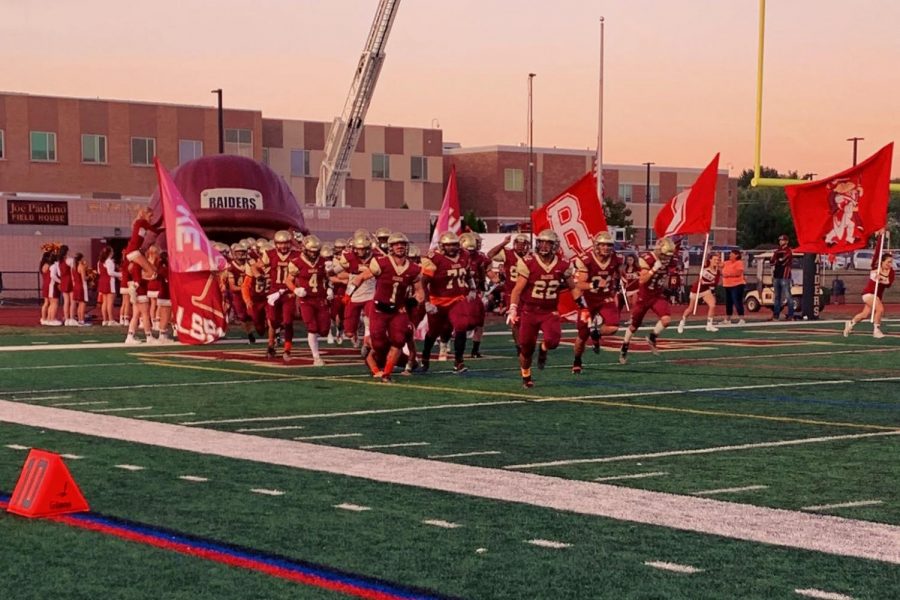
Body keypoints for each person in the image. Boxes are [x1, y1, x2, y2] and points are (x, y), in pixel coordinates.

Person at [507, 229, 581, 388]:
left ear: (555, 245)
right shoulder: (528, 262)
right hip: (530, 311)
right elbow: (517, 289)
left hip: (549, 311)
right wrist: (513, 309)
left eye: (548, 243)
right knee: (526, 349)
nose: (544, 246)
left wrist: (583, 306)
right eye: (542, 242)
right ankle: (526, 375)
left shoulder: (563, 264)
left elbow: (573, 287)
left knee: (553, 341)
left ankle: (544, 347)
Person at [347, 232, 424, 383]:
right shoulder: (381, 263)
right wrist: (349, 293)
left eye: (402, 244)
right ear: (390, 247)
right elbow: (361, 277)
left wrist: (415, 301)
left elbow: (420, 291)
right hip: (379, 310)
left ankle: (386, 374)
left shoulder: (414, 269)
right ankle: (373, 355)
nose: (400, 247)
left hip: (398, 310)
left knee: (398, 340)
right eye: (396, 244)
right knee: (380, 344)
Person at [420, 232, 473, 373]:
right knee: (433, 332)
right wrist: (427, 302)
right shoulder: (434, 258)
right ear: (442, 246)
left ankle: (459, 361)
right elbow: (424, 282)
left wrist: (472, 287)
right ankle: (425, 357)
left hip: (457, 299)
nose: (452, 247)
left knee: (461, 326)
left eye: (454, 244)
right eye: (448, 245)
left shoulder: (464, 255)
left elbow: (467, 273)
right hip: (438, 301)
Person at [619, 237, 677, 365]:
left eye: (668, 256)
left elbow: (668, 272)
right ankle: (624, 346)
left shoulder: (670, 259)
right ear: (658, 250)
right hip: (644, 297)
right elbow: (642, 280)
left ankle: (652, 337)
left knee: (666, 320)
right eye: (664, 255)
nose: (666, 258)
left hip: (657, 295)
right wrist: (653, 269)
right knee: (634, 326)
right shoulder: (646, 259)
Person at [571, 231, 622, 373]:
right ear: (596, 246)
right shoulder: (586, 260)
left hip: (605, 298)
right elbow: (579, 284)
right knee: (582, 335)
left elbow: (617, 272)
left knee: (613, 327)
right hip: (588, 300)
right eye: (603, 245)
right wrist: (593, 285)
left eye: (609, 245)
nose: (606, 248)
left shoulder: (616, 259)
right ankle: (577, 360)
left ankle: (596, 334)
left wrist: (618, 282)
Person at [288, 235, 331, 366]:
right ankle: (316, 357)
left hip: (321, 299)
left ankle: (318, 351)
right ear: (305, 249)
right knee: (312, 328)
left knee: (324, 330)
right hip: (306, 300)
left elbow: (330, 278)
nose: (313, 253)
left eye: (315, 251)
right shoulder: (296, 262)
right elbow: (288, 280)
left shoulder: (324, 261)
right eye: (310, 250)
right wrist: (295, 290)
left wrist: (330, 288)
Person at [487, 233, 531, 353]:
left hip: (528, 292)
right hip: (511, 293)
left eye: (523, 244)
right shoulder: (507, 253)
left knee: (528, 321)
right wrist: (503, 243)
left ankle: (525, 343)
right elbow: (489, 255)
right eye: (518, 244)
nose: (520, 247)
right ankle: (519, 347)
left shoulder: (533, 256)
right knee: (515, 321)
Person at [260, 230, 300, 362]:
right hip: (273, 292)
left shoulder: (296, 255)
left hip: (288, 293)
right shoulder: (269, 254)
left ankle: (287, 349)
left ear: (290, 243)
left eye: (286, 243)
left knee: (288, 321)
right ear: (276, 244)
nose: (283, 246)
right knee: (272, 321)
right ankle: (271, 344)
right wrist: (259, 276)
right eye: (280, 244)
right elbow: (256, 267)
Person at [844, 251, 894, 339]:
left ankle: (850, 323)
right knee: (880, 309)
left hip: (877, 296)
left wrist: (881, 279)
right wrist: (879, 238)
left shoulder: (891, 271)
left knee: (865, 314)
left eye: (891, 262)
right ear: (882, 261)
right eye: (888, 262)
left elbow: (888, 284)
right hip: (868, 293)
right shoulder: (875, 267)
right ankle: (876, 330)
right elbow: (874, 276)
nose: (890, 264)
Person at [460, 232, 491, 358]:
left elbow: (483, 272)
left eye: (477, 242)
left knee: (479, 321)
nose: (476, 245)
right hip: (459, 294)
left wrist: (485, 284)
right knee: (461, 322)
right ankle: (446, 342)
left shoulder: (480, 257)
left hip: (475, 292)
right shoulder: (457, 257)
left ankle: (475, 349)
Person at [677, 253, 722, 333]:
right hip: (696, 290)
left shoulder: (717, 272)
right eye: (715, 259)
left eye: (718, 260)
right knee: (690, 309)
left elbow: (714, 283)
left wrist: (706, 283)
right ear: (710, 260)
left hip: (705, 290)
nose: (716, 261)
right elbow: (701, 279)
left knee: (712, 305)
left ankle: (709, 325)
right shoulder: (704, 267)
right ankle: (682, 322)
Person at [770, 234, 794, 321]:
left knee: (788, 296)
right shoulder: (777, 251)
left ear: (786, 241)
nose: (780, 241)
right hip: (777, 276)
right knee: (777, 297)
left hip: (785, 276)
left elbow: (783, 261)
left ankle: (791, 315)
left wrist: (777, 260)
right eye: (780, 240)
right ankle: (776, 315)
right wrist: (777, 260)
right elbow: (772, 262)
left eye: (782, 240)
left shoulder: (788, 251)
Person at [97, 246, 120, 326]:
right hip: (109, 281)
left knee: (105, 302)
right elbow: (110, 272)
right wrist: (120, 274)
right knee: (110, 302)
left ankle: (105, 320)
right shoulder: (109, 261)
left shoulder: (99, 261)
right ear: (110, 253)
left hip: (102, 281)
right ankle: (111, 320)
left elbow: (99, 272)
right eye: (112, 251)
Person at [722, 249, 746, 325]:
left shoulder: (739, 263)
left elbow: (738, 272)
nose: (730, 255)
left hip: (737, 285)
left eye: (732, 254)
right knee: (728, 302)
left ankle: (741, 319)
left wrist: (727, 274)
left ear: (737, 255)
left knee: (737, 301)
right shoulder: (727, 263)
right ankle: (728, 319)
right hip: (727, 285)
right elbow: (719, 266)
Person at [71, 252, 90, 326]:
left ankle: (80, 320)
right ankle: (82, 320)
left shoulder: (73, 267)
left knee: (79, 304)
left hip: (76, 286)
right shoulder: (81, 266)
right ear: (81, 258)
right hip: (82, 286)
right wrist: (90, 276)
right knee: (83, 303)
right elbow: (84, 278)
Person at [39, 250, 54, 325]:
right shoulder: (48, 265)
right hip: (48, 284)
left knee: (46, 302)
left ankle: (45, 318)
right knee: (49, 302)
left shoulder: (43, 265)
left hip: (45, 284)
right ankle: (46, 318)